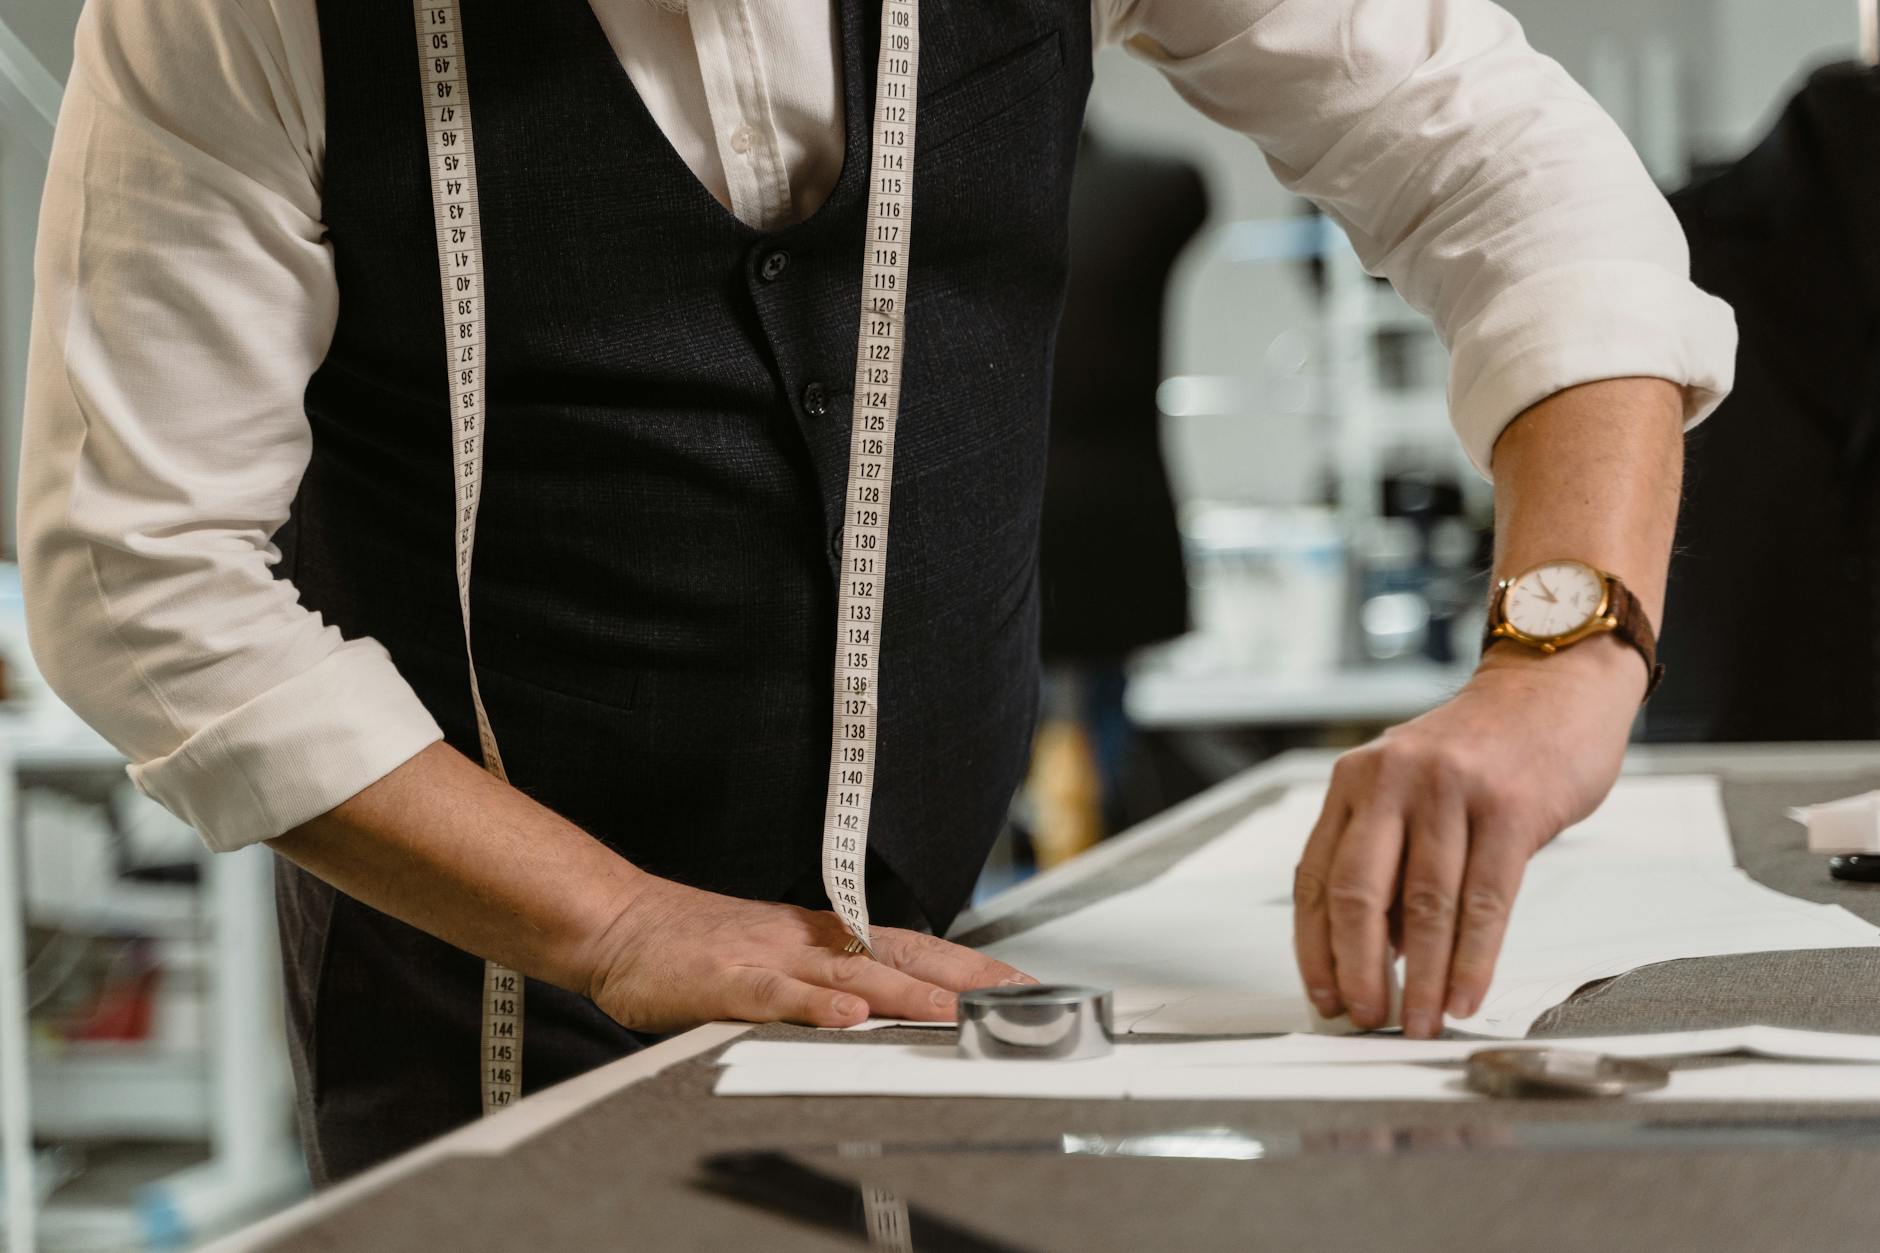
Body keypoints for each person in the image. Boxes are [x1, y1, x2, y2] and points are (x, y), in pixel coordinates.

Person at [17, 0, 1734, 1181]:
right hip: (471, 1017)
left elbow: (1514, 176)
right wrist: (613, 920)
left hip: (934, 983)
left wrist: (1558, 655)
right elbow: (137, 563)